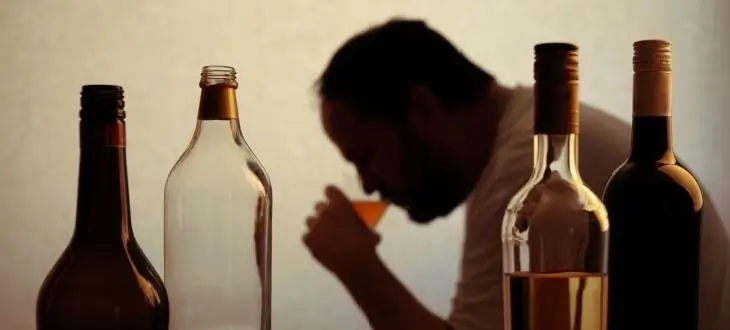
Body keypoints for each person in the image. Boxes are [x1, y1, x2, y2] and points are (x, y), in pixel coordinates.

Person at [302, 18, 728, 330]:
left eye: (365, 156)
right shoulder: (509, 152)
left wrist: (356, 265)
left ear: (423, 110)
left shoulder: (528, 173)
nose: (367, 184)